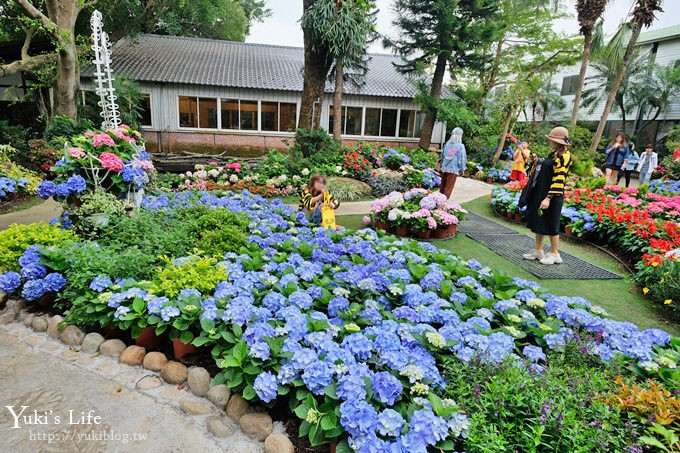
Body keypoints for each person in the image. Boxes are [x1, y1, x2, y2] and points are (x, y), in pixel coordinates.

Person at [523, 126, 573, 265]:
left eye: (551, 139)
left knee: (552, 224)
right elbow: (546, 168)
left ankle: (555, 253)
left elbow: (559, 179)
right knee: (540, 222)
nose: (549, 141)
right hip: (543, 193)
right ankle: (539, 250)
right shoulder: (555, 154)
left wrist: (548, 198)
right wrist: (537, 160)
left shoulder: (564, 157)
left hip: (552, 196)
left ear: (558, 142)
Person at [439, 127, 467, 199]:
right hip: (453, 169)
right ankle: (443, 205)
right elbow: (462, 158)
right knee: (448, 188)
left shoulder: (447, 144)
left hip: (444, 168)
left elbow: (442, 156)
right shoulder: (461, 146)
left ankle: (438, 201)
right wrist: (462, 169)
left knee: (442, 187)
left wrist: (442, 165)